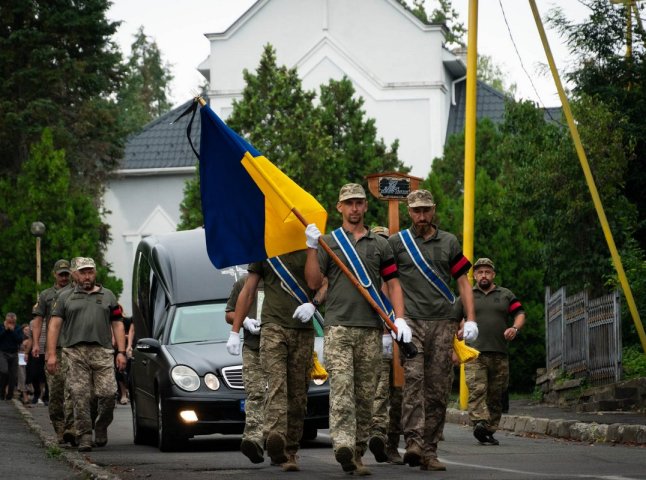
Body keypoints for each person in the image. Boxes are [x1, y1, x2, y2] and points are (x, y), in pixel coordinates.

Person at [304, 183, 411, 476]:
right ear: (340, 207)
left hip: (371, 330)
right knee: (341, 388)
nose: (354, 208)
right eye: (348, 203)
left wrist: (399, 319)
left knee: (365, 396)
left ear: (365, 207)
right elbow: (314, 283)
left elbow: (392, 284)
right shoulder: (329, 242)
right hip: (338, 327)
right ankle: (343, 445)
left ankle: (358, 450)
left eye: (358, 203)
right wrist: (312, 249)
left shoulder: (380, 245)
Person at [387, 189, 476, 471]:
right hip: (411, 321)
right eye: (416, 211)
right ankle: (413, 442)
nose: (421, 216)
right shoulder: (396, 243)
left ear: (434, 209)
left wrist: (470, 318)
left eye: (426, 210)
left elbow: (463, 282)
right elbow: (387, 282)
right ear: (408, 211)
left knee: (438, 389)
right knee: (413, 381)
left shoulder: (449, 241)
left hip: (443, 322)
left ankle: (429, 450)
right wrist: (393, 320)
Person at [228, 251, 324, 472]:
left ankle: (289, 451)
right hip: (271, 329)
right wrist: (236, 329)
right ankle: (273, 436)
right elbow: (248, 290)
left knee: (298, 394)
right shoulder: (265, 251)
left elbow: (321, 283)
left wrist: (314, 304)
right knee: (274, 385)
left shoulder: (313, 249)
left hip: (302, 331)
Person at [46, 257, 127, 452]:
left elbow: (117, 323)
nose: (87, 276)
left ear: (95, 273)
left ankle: (100, 425)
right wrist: (51, 354)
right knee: (80, 395)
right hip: (74, 352)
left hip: (102, 351)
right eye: (82, 272)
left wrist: (121, 352)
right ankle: (84, 435)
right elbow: (54, 325)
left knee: (108, 393)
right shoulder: (65, 297)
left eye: (90, 271)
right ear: (74, 274)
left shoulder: (108, 296)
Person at [462, 257, 526, 446]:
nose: (483, 275)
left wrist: (515, 328)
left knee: (496, 395)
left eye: (487, 272)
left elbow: (520, 313)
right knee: (477, 390)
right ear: (474, 275)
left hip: (499, 353)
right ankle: (479, 423)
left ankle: (489, 430)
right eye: (480, 272)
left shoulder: (505, 294)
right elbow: (455, 315)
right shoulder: (467, 295)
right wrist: (460, 330)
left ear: (493, 275)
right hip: (474, 353)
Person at [367, 226, 404, 465]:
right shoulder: (366, 276)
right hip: (376, 341)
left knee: (399, 395)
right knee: (378, 393)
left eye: (386, 241)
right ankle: (377, 435)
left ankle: (391, 444)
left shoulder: (399, 276)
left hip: (399, 343)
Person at [31, 259, 75, 443]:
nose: (64, 278)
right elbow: (38, 320)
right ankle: (60, 429)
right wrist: (36, 344)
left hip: (73, 347)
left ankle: (73, 429)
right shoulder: (46, 295)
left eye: (67, 274)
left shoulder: (77, 292)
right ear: (55, 274)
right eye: (61, 274)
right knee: (56, 393)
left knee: (74, 390)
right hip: (54, 349)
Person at [224, 274, 265, 465]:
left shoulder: (284, 277)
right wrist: (245, 321)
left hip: (281, 347)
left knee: (279, 395)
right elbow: (229, 313)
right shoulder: (244, 282)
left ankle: (279, 442)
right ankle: (254, 440)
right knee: (255, 392)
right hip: (253, 346)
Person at [1, 312, 24, 400]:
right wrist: (5, 330)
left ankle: (10, 395)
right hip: (3, 352)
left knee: (13, 376)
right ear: (6, 320)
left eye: (13, 322)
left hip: (14, 353)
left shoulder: (18, 328)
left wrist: (13, 331)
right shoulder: (1, 326)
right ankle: (1, 392)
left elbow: (19, 340)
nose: (11, 324)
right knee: (4, 371)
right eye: (9, 322)